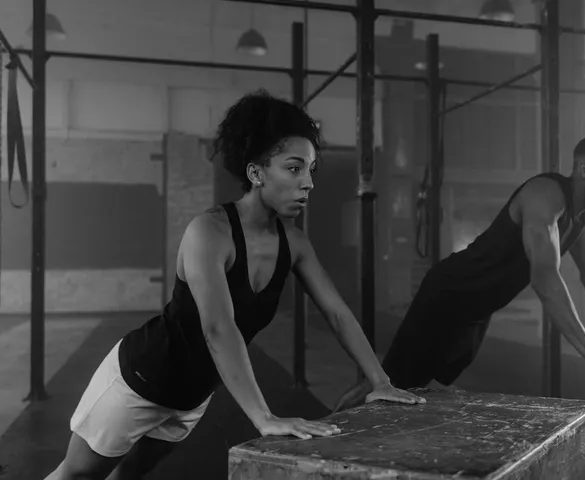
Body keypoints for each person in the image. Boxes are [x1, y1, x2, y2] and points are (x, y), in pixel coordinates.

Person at [45, 90, 425, 480]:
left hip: (191, 398)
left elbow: (337, 312)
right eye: (294, 168)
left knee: (127, 477)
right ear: (256, 173)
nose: (308, 182)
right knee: (76, 476)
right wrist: (264, 418)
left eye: (311, 169)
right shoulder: (208, 233)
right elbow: (218, 329)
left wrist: (379, 381)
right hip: (140, 380)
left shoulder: (294, 244)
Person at [334, 133, 585, 412]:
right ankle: (326, 432)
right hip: (447, 298)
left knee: (419, 387)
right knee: (384, 384)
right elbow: (545, 278)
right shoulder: (545, 194)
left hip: (476, 310)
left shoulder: (582, 215)